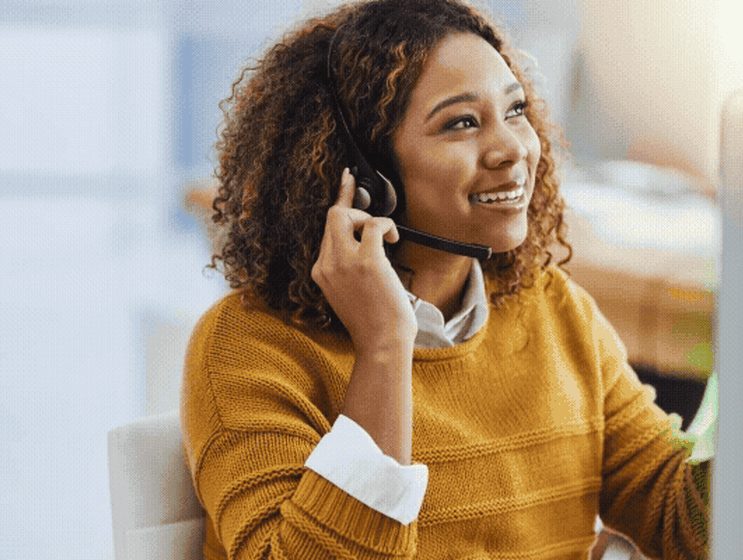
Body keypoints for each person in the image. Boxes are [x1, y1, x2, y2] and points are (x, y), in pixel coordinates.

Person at [181, 1, 710, 558]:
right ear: (362, 175)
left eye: (515, 110)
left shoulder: (554, 308)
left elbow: (679, 517)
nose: (513, 149)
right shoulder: (247, 348)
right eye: (461, 122)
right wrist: (384, 346)